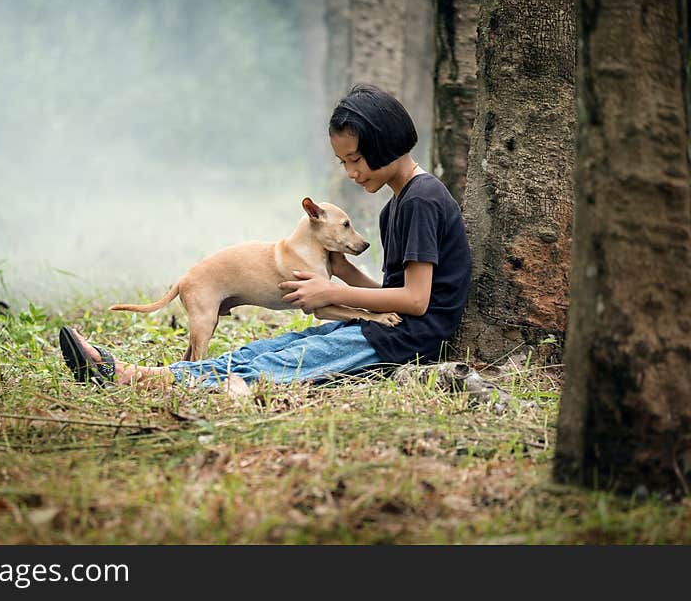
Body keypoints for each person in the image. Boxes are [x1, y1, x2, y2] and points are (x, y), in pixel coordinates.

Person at [59, 84, 472, 392]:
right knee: (273, 348)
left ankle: (126, 377)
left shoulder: (422, 201)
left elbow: (417, 301)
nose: (350, 172)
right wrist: (343, 273)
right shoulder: (396, 206)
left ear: (386, 144)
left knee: (281, 364)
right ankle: (142, 373)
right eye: (343, 161)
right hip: (386, 327)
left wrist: (328, 290)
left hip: (406, 339)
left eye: (356, 159)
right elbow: (393, 293)